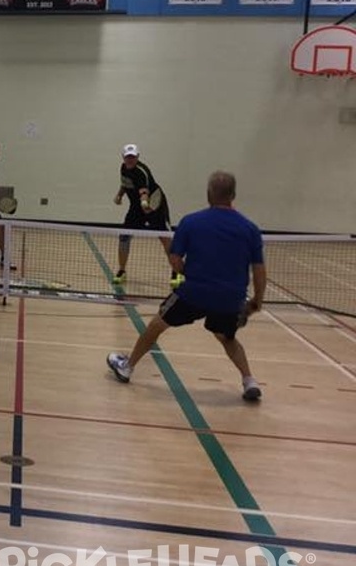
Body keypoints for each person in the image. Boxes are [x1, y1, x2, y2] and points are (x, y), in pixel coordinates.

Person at [107, 171, 265, 402]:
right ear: (233, 195)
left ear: (208, 194)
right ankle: (249, 381)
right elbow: (260, 271)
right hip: (230, 299)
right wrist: (256, 303)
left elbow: (175, 260)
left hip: (193, 293)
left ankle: (127, 367)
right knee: (226, 337)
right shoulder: (250, 229)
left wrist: (188, 272)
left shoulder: (191, 222)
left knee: (156, 325)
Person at [113, 143, 181, 288]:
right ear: (123, 157)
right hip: (137, 208)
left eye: (132, 157)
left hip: (154, 205)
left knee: (165, 238)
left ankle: (176, 272)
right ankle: (121, 271)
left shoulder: (141, 171)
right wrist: (119, 195)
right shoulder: (123, 168)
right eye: (127, 157)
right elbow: (125, 183)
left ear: (137, 157)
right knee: (124, 236)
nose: (130, 160)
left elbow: (144, 191)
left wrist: (145, 203)